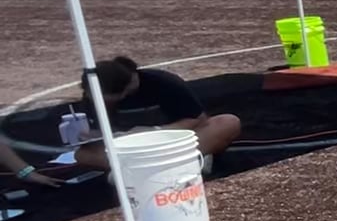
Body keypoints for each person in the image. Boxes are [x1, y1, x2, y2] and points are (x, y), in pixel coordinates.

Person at [73, 56, 242, 176]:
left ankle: (136, 172)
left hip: (172, 143)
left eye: (101, 97)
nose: (93, 99)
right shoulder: (93, 95)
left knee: (228, 123)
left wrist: (154, 131)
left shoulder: (163, 83)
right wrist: (93, 136)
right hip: (130, 149)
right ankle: (174, 166)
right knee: (82, 155)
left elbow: (198, 120)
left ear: (124, 90)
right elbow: (100, 132)